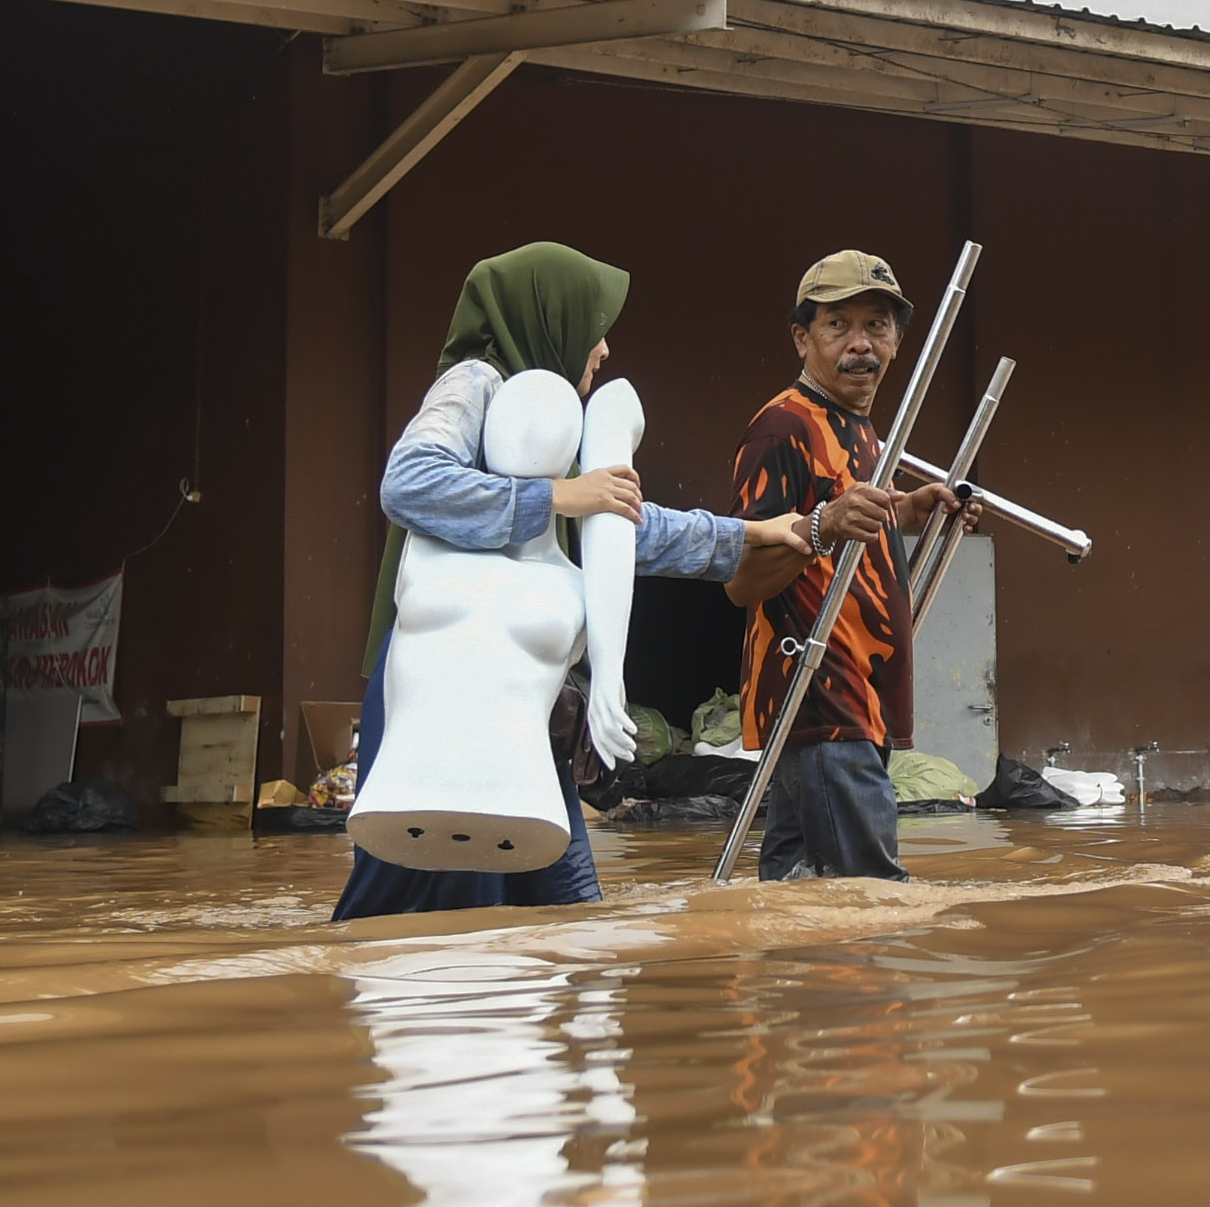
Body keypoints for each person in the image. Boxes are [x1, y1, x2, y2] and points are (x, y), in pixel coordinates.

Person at [332, 243, 809, 923]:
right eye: (595, 326)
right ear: (548, 317)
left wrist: (757, 534)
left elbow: (620, 524)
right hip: (447, 685)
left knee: (568, 918)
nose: (606, 348)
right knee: (427, 910)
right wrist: (558, 495)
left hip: (530, 699)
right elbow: (410, 483)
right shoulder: (476, 384)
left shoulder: (557, 421)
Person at [724, 250, 978, 882]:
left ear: (897, 341)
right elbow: (742, 580)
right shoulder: (782, 429)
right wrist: (823, 527)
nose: (861, 344)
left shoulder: (860, 429)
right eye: (838, 325)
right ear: (801, 337)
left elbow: (851, 518)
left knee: (797, 892)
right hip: (819, 694)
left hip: (857, 694)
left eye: (878, 325)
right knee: (868, 899)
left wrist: (914, 509)